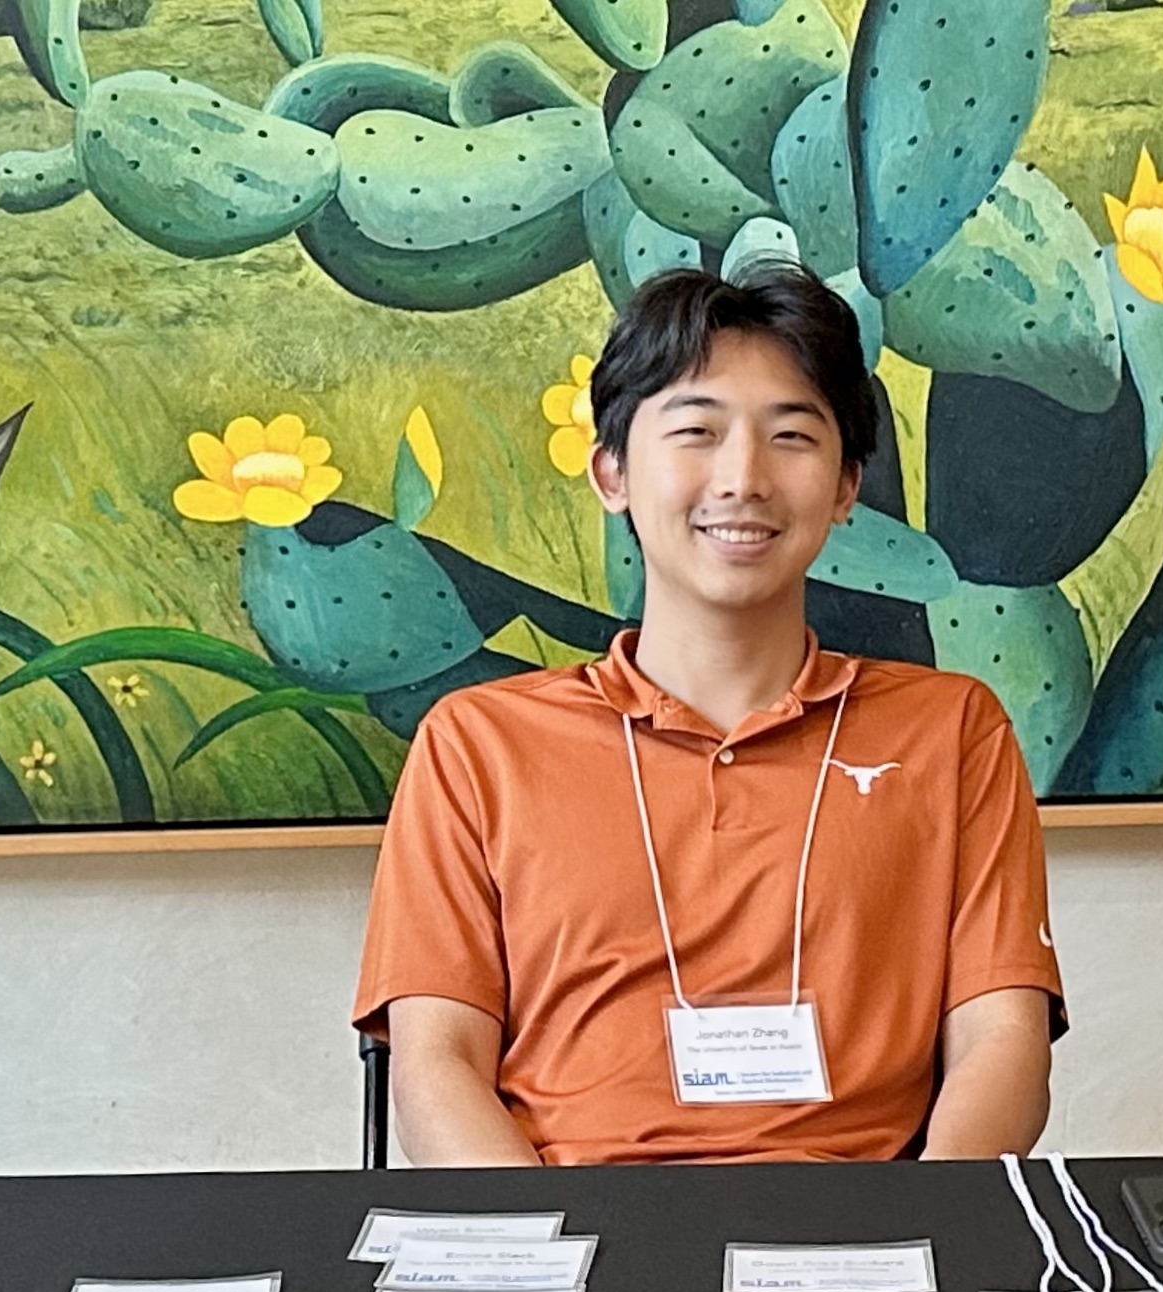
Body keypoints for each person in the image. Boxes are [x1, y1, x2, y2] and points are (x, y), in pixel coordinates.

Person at [353, 264, 1061, 1167]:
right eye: (696, 431)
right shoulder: (477, 744)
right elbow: (436, 1062)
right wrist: (550, 1256)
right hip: (576, 1241)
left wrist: (907, 1236)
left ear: (847, 486)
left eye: (792, 437)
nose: (743, 479)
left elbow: (1005, 1038)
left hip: (868, 1242)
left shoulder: (953, 731)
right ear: (611, 471)